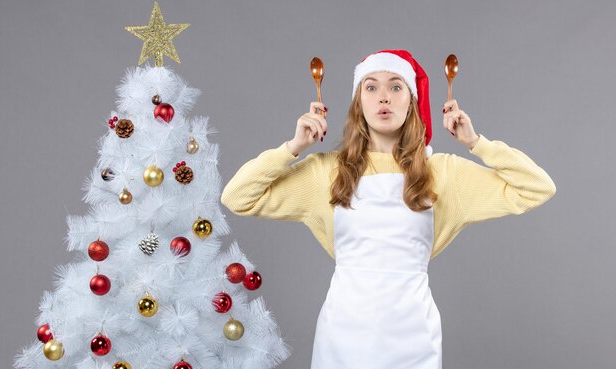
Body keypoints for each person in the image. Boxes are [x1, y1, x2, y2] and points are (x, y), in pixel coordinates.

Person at [220, 49, 556, 368]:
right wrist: (293, 148)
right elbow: (238, 197)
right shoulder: (327, 172)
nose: (384, 97)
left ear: (411, 102)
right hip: (344, 338)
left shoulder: (443, 173)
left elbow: (537, 188)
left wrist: (476, 143)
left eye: (396, 87)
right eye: (372, 87)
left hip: (413, 340)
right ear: (359, 102)